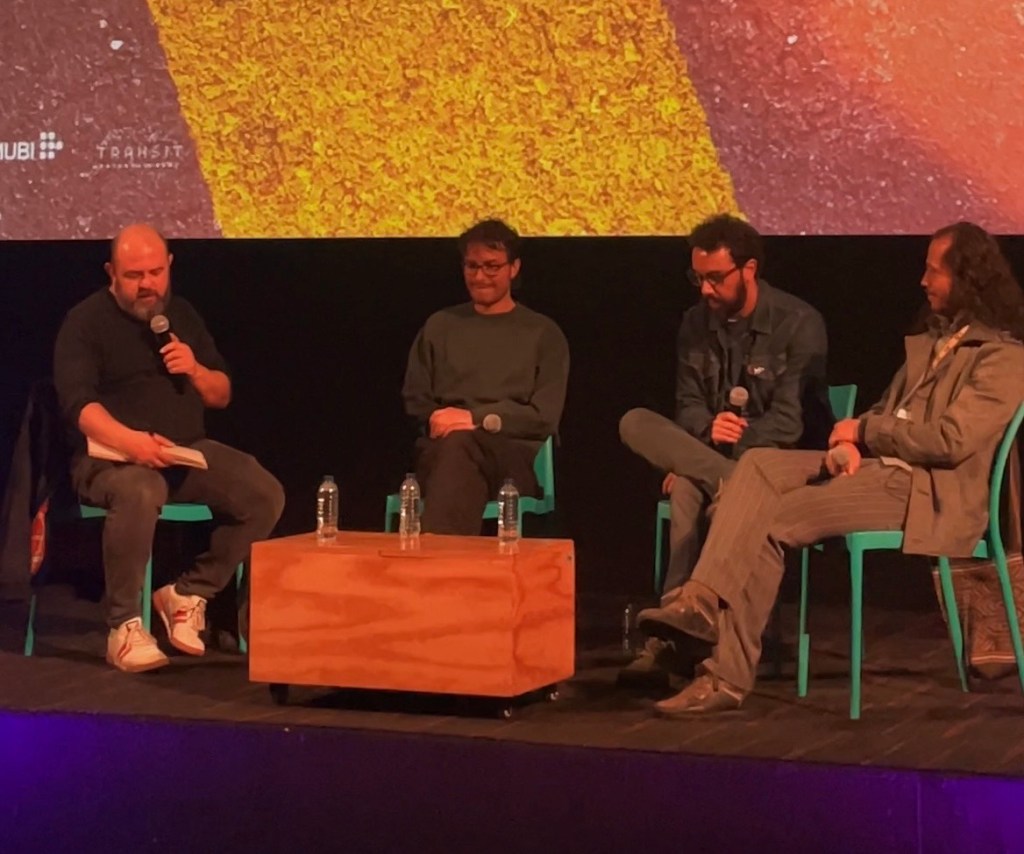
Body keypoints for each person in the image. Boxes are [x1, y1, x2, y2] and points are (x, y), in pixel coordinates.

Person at [637, 221, 1024, 715]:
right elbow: (887, 411)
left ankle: (724, 677)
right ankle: (699, 604)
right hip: (877, 470)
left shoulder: (1004, 359)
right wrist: (857, 435)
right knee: (756, 466)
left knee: (771, 521)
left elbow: (950, 441)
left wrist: (866, 433)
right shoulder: (931, 343)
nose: (923, 281)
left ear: (968, 277)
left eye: (933, 270)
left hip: (924, 489)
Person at [53, 224, 285, 673]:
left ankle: (188, 593)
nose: (147, 285)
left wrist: (195, 368)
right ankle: (123, 627)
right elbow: (79, 407)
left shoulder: (180, 315)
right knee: (141, 490)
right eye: (135, 275)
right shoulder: (85, 322)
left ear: (170, 267)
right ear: (111, 274)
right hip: (109, 460)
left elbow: (221, 393)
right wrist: (133, 444)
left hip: (181, 454)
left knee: (262, 492)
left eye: (156, 272)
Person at [618, 214, 831, 685]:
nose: (706, 290)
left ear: (749, 269)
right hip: (718, 458)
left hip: (784, 468)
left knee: (688, 486)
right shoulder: (695, 324)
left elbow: (790, 423)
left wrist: (718, 455)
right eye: (699, 278)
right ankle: (681, 626)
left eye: (716, 278)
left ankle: (669, 643)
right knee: (635, 423)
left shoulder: (799, 323)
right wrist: (708, 429)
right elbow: (688, 406)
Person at [402, 218, 569, 535]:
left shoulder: (543, 333)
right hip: (441, 453)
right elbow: (415, 400)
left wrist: (474, 418)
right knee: (456, 449)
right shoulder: (440, 325)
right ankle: (450, 567)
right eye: (472, 266)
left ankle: (437, 564)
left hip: (511, 460)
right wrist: (440, 420)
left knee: (462, 444)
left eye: (492, 267)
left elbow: (544, 417)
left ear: (514, 268)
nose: (480, 277)